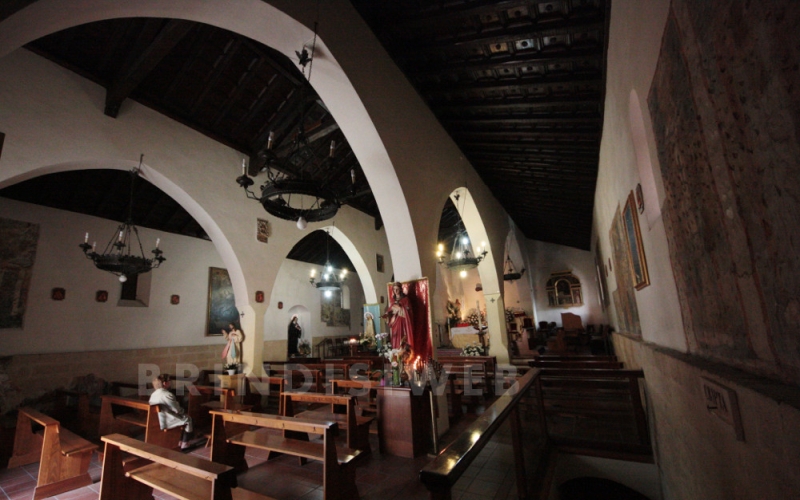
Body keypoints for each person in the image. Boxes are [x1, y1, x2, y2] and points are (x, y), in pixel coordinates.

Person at [148, 374, 193, 449]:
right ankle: (184, 443)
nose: (170, 382)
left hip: (158, 419)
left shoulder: (153, 394)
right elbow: (177, 410)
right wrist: (183, 411)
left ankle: (180, 441)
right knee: (188, 419)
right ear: (165, 383)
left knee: (184, 417)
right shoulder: (167, 394)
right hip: (167, 420)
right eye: (169, 381)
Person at [383, 282, 413, 350]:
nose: (395, 291)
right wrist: (387, 315)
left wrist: (401, 308)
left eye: (397, 289)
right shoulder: (392, 300)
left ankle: (402, 353)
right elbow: (390, 310)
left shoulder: (406, 300)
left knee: (402, 337)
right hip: (394, 322)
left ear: (400, 289)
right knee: (395, 337)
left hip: (402, 322)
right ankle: (395, 352)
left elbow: (409, 311)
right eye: (394, 289)